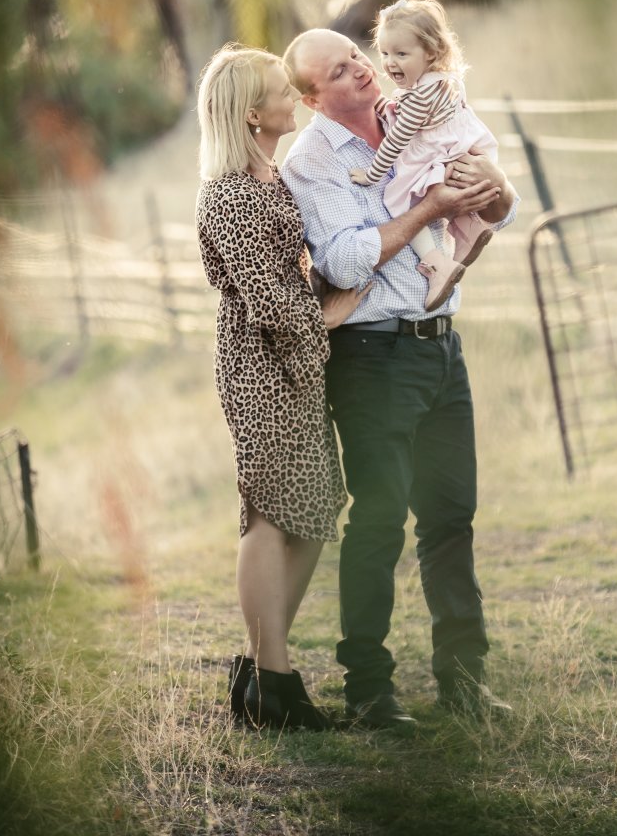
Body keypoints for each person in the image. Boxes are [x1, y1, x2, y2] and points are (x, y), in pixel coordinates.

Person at [280, 25, 519, 731]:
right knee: (380, 520)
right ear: (310, 98)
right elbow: (345, 260)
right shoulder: (312, 161)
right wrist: (431, 208)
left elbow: (497, 209)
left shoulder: (417, 111)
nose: (362, 68)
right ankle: (369, 692)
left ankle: (465, 682)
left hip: (441, 347)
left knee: (451, 519)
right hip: (373, 356)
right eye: (339, 70)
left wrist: (496, 189)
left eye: (357, 55)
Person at [195, 43, 367, 730]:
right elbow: (266, 299)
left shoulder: (270, 179)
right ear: (250, 113)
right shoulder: (231, 195)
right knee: (269, 512)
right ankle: (275, 681)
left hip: (295, 361)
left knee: (315, 507)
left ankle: (261, 672)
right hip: (260, 363)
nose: (293, 96)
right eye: (280, 89)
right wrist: (329, 315)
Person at [347, 0, 499, 312]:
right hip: (459, 145)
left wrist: (372, 174)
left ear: (431, 52)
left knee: (397, 200)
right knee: (434, 193)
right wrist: (386, 106)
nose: (390, 63)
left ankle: (436, 265)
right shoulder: (443, 81)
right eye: (385, 53)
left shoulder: (419, 97)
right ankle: (471, 226)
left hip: (436, 152)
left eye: (401, 54)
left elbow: (398, 138)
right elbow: (408, 111)